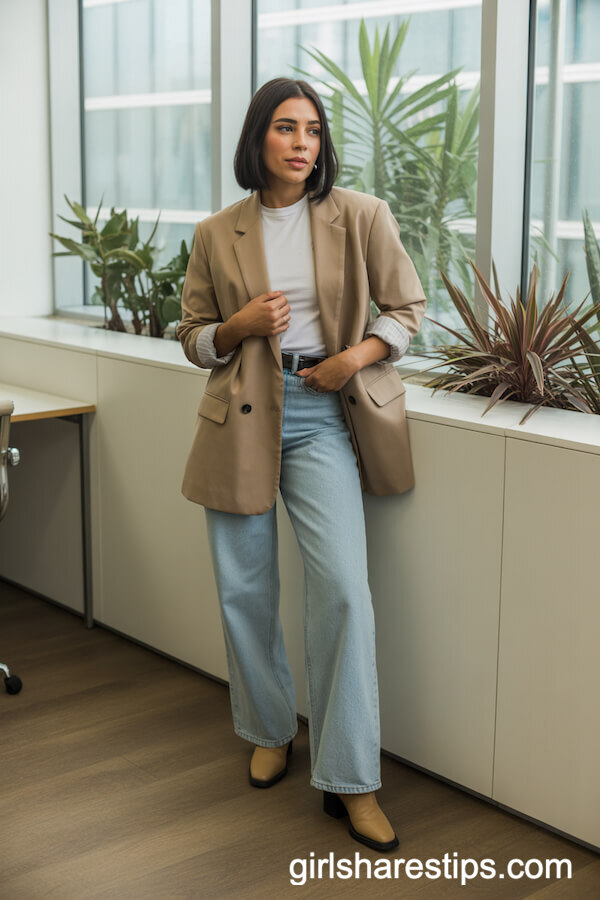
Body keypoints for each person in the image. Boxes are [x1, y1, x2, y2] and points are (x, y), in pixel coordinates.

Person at [176, 77, 426, 852]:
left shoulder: (362, 215)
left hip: (323, 413)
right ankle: (269, 730)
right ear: (259, 138)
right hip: (240, 417)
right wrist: (237, 327)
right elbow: (191, 337)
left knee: (344, 591)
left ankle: (352, 778)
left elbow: (408, 309)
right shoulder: (216, 232)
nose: (301, 143)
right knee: (244, 590)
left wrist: (355, 357)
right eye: (286, 128)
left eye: (313, 130)